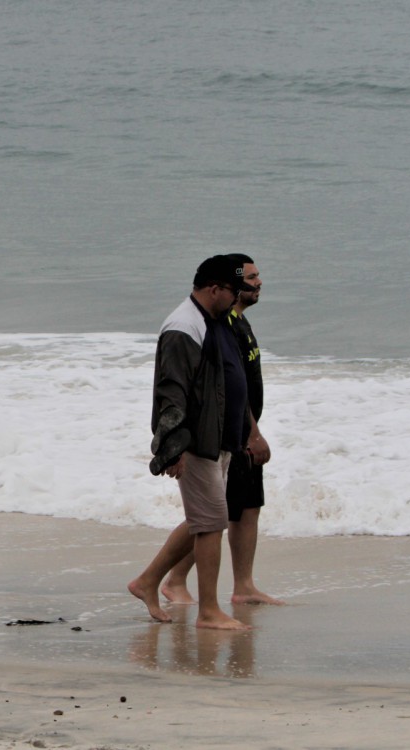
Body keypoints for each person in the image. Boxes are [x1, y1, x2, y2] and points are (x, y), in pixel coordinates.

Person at [126, 255, 261, 631]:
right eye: (233, 290)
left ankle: (148, 582)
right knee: (210, 522)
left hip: (218, 439)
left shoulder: (214, 320)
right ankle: (209, 612)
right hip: (197, 441)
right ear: (214, 289)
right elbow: (172, 392)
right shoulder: (184, 326)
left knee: (203, 519)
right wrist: (172, 447)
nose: (237, 297)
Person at [159, 255, 283, 607]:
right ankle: (171, 580)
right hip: (225, 436)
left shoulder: (237, 324)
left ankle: (243, 585)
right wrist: (251, 433)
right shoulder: (212, 324)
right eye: (250, 279)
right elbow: (187, 389)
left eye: (260, 277)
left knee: (244, 508)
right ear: (225, 288)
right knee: (211, 517)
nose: (258, 284)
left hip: (236, 433)